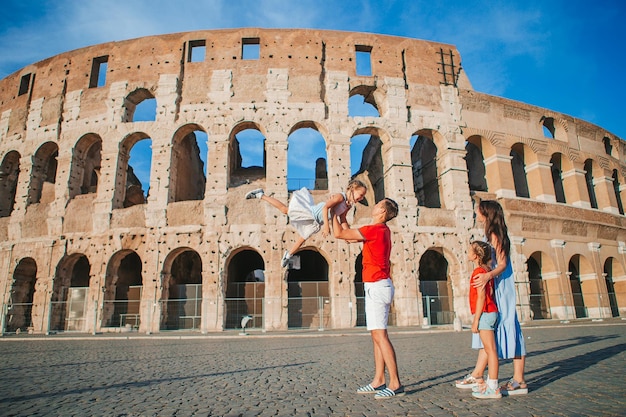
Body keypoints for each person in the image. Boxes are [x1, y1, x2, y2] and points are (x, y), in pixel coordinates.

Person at [332, 197, 404, 399]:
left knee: (381, 336)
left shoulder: (375, 229)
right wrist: (343, 216)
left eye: (379, 204)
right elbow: (349, 237)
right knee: (376, 336)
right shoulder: (381, 231)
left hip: (378, 286)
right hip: (378, 285)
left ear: (382, 212)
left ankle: (395, 382)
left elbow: (339, 234)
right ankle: (379, 379)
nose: (375, 205)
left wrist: (332, 213)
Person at [472, 199, 528, 396]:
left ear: (486, 213)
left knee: (508, 325)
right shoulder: (490, 234)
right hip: (496, 283)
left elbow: (502, 263)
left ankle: (518, 379)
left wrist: (487, 275)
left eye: (478, 210)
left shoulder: (495, 235)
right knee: (498, 328)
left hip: (501, 284)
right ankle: (501, 377)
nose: (475, 212)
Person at [245, 179, 368, 267]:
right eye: (361, 194)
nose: (361, 198)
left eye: (363, 197)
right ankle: (260, 195)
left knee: (303, 237)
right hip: (311, 213)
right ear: (352, 189)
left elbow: (343, 220)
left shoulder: (348, 206)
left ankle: (289, 254)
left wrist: (348, 234)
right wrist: (326, 226)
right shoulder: (340, 197)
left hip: (316, 222)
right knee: (285, 210)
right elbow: (326, 208)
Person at [464, 241, 501, 399]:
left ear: (476, 255)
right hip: (491, 312)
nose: (467, 252)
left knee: (491, 350)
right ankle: (487, 381)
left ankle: (493, 386)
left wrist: (476, 320)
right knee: (488, 349)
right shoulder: (487, 270)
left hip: (485, 313)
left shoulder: (479, 272)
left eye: (470, 250)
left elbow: (480, 297)